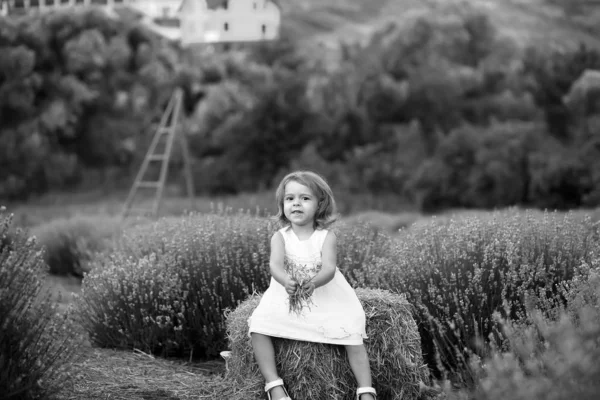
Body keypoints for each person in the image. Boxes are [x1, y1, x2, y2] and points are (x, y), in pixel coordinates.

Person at [248, 171, 376, 400]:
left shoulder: (326, 236)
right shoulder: (280, 236)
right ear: (283, 204)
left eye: (305, 198)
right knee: (258, 326)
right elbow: (275, 266)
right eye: (290, 199)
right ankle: (274, 384)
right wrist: (285, 280)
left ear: (320, 204)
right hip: (288, 294)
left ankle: (365, 389)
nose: (296, 203)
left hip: (324, 293)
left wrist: (314, 282)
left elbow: (328, 269)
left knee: (351, 331)